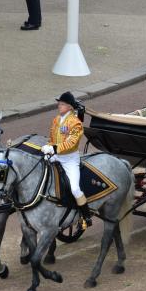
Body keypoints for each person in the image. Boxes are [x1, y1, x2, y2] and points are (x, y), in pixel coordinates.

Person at [42, 93, 92, 227]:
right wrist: (49, 146)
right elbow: (52, 137)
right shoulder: (56, 120)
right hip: (56, 155)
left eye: (62, 104)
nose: (59, 106)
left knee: (75, 189)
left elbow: (71, 143)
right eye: (59, 103)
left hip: (70, 160)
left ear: (70, 107)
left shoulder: (76, 123)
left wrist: (53, 149)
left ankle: (86, 216)